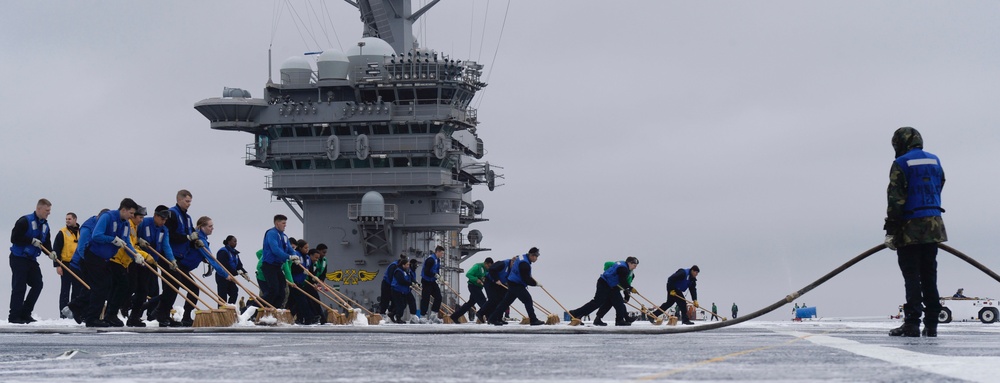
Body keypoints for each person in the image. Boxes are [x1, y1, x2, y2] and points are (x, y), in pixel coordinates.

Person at [884, 127, 947, 338]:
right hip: (934, 224)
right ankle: (931, 324)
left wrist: (891, 229)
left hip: (910, 226)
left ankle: (912, 323)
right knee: (929, 274)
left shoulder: (901, 163)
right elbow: (941, 184)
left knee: (911, 275)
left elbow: (896, 199)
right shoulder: (935, 160)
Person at [81, 198, 144, 327]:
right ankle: (91, 318)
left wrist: (135, 255)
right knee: (101, 286)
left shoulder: (125, 224)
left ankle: (102, 315)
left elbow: (126, 243)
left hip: (105, 259)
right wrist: (112, 239)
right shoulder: (107, 217)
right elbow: (96, 235)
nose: (132, 216)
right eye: (131, 213)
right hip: (93, 255)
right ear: (123, 210)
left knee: (108, 285)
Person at [106, 206, 152, 327]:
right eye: (140, 217)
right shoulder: (129, 225)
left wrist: (139, 243)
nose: (142, 220)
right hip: (118, 259)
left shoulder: (134, 226)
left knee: (134, 288)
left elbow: (133, 243)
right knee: (125, 287)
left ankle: (123, 314)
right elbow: (128, 245)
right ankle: (115, 313)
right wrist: (144, 255)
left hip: (126, 261)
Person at [8, 198, 52, 324]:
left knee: (38, 284)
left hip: (31, 260)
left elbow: (46, 243)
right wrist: (30, 240)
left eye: (49, 210)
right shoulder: (24, 221)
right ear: (39, 208)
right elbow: (14, 238)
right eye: (47, 210)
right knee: (19, 286)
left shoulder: (45, 225)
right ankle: (14, 316)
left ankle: (25, 313)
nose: (48, 213)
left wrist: (51, 252)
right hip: (18, 258)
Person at [569, 257, 639, 326]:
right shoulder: (623, 269)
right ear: (629, 263)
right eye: (634, 265)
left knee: (618, 302)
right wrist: (630, 288)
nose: (635, 268)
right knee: (597, 302)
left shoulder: (622, 265)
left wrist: (627, 292)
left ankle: (619, 320)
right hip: (604, 283)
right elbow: (623, 281)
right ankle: (575, 313)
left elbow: (609, 264)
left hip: (612, 286)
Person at [133, 206, 175, 324]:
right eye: (162, 219)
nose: (163, 222)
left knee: (154, 290)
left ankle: (151, 315)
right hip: (140, 261)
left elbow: (166, 246)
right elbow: (133, 237)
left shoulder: (164, 230)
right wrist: (139, 240)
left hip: (152, 262)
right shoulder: (144, 223)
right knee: (142, 289)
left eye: (165, 220)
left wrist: (171, 260)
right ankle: (135, 315)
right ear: (155, 216)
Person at [488, 247, 544, 326]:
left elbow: (517, 258)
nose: (536, 259)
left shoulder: (522, 257)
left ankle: (492, 318)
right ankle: (533, 320)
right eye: (536, 257)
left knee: (505, 303)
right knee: (528, 300)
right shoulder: (524, 264)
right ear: (531, 255)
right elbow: (526, 279)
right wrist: (535, 283)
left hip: (511, 282)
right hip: (516, 285)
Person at [261, 215, 295, 311]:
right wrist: (288, 257)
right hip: (269, 265)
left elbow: (289, 248)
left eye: (285, 223)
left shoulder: (284, 236)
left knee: (282, 292)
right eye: (283, 223)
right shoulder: (271, 233)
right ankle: (254, 306)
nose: (285, 225)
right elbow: (275, 249)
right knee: (273, 290)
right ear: (277, 223)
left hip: (277, 266)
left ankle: (275, 310)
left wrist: (295, 256)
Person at [52, 212, 81, 318]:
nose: (67, 221)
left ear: (75, 219)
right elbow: (56, 249)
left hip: (77, 264)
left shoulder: (81, 232)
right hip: (65, 263)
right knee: (65, 288)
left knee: (77, 288)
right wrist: (57, 265)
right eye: (66, 219)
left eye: (69, 219)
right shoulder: (62, 233)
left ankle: (75, 311)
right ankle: (63, 313)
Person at [450, 257, 494, 323]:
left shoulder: (487, 270)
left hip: (479, 287)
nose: (489, 268)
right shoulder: (477, 266)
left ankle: (455, 316)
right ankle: (489, 317)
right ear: (485, 263)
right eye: (488, 266)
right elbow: (468, 274)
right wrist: (476, 279)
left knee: (469, 304)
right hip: (473, 286)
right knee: (483, 301)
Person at [479, 255, 515, 323]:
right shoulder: (503, 263)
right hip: (490, 281)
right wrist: (496, 279)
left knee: (503, 300)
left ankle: (499, 318)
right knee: (493, 299)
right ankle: (481, 313)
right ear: (512, 261)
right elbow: (492, 269)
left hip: (501, 283)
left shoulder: (513, 268)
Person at [216, 235, 247, 305]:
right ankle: (222, 311)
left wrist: (244, 273)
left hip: (230, 277)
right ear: (229, 242)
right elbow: (224, 265)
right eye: (234, 241)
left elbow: (239, 265)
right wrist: (236, 272)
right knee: (222, 295)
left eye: (236, 241)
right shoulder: (223, 252)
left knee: (234, 291)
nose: (236, 243)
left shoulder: (235, 253)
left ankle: (230, 307)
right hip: (222, 276)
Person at [419, 246, 445, 323]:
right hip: (426, 281)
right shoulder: (431, 260)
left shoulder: (438, 260)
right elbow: (426, 271)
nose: (442, 255)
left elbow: (436, 270)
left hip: (432, 281)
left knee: (438, 297)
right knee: (425, 298)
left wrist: (439, 277)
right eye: (442, 253)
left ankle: (434, 314)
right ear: (437, 252)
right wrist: (434, 275)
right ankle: (422, 316)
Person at [390, 257, 416, 323]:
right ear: (403, 265)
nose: (408, 266)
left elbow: (410, 279)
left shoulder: (406, 271)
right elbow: (401, 281)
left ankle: (392, 314)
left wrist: (415, 283)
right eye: (407, 265)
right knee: (400, 305)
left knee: (404, 304)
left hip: (403, 291)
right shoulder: (398, 271)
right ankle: (398, 318)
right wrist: (411, 284)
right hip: (397, 290)